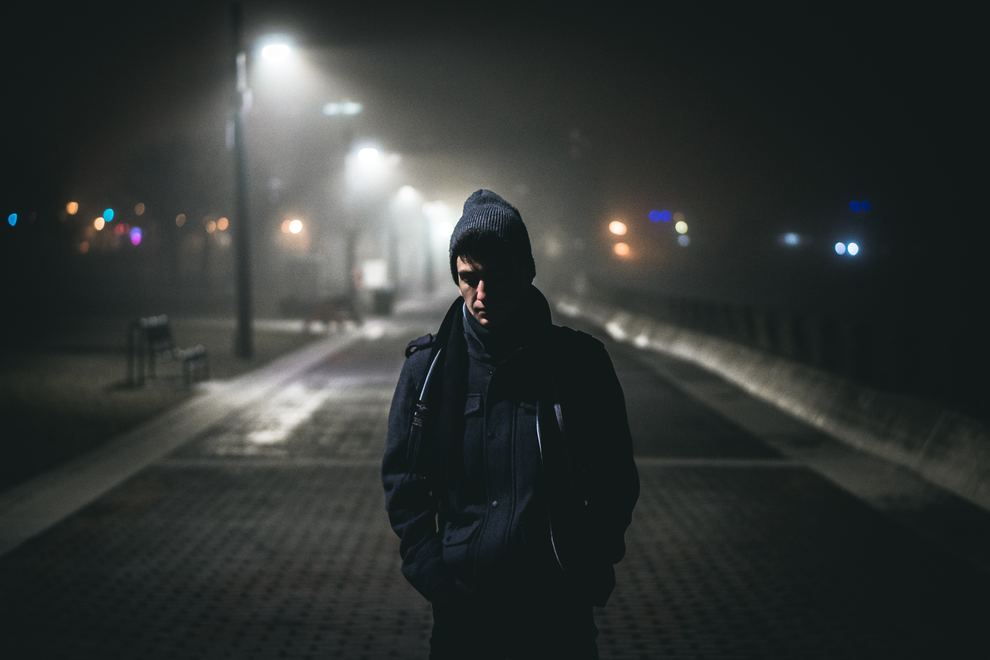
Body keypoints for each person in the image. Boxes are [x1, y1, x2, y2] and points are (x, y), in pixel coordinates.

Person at [382, 189, 639, 659]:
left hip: (556, 608)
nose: (481, 295)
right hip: (462, 608)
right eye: (468, 278)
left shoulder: (580, 363)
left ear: (526, 272)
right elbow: (404, 481)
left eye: (495, 277)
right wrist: (434, 574)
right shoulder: (428, 370)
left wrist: (588, 563)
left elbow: (615, 477)